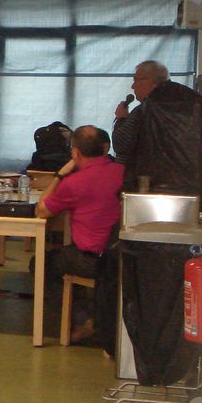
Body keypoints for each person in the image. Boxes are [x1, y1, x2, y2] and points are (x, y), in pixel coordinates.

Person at [35, 125, 124, 343]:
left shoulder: (73, 183)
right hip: (121, 256)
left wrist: (59, 175)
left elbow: (41, 210)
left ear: (75, 153)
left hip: (92, 260)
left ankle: (84, 319)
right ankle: (96, 311)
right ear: (105, 148)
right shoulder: (123, 173)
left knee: (41, 264)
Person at [112, 60, 202, 203]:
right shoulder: (194, 100)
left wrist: (121, 119)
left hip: (151, 189)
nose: (133, 86)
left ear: (150, 81)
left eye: (136, 80)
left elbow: (121, 144)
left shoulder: (145, 109)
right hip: (190, 188)